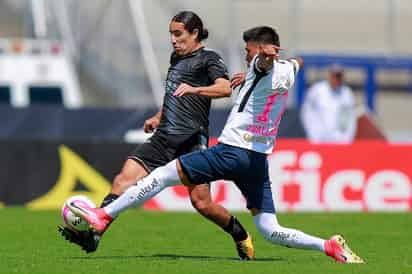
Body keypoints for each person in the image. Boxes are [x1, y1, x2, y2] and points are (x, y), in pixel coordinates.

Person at [68, 26, 364, 264]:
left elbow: (261, 63)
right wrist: (261, 67)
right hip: (257, 160)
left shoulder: (263, 65)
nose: (246, 57)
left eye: (248, 51)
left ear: (260, 50)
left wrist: (262, 61)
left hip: (232, 151)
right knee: (270, 230)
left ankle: (103, 215)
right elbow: (297, 61)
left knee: (162, 175)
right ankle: (327, 246)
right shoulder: (288, 69)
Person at [59, 10, 254, 260]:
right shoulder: (176, 58)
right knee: (122, 180)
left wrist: (195, 89)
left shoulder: (210, 59)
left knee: (202, 203)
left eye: (178, 34)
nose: (173, 39)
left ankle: (240, 234)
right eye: (171, 34)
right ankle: (95, 235)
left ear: (194, 33)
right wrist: (158, 116)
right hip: (163, 137)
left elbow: (225, 88)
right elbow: (173, 95)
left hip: (191, 140)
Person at [301, 65, 357, 143]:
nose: (336, 79)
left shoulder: (346, 93)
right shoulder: (317, 90)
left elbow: (349, 118)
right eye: (334, 76)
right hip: (318, 140)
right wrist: (313, 135)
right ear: (329, 75)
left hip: (339, 141)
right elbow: (307, 113)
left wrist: (346, 139)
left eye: (339, 77)